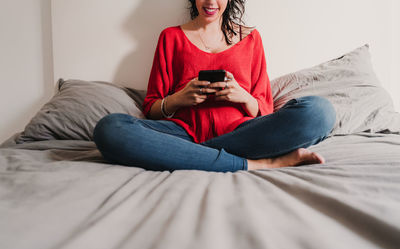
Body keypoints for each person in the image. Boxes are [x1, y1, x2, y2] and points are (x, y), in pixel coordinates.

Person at [93, 0, 336, 172]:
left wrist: (242, 96)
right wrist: (179, 98)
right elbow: (151, 108)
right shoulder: (170, 37)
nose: (210, 1)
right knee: (109, 128)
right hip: (182, 133)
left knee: (320, 111)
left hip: (241, 134)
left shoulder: (251, 39)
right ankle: (259, 163)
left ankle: (190, 156)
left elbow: (265, 110)